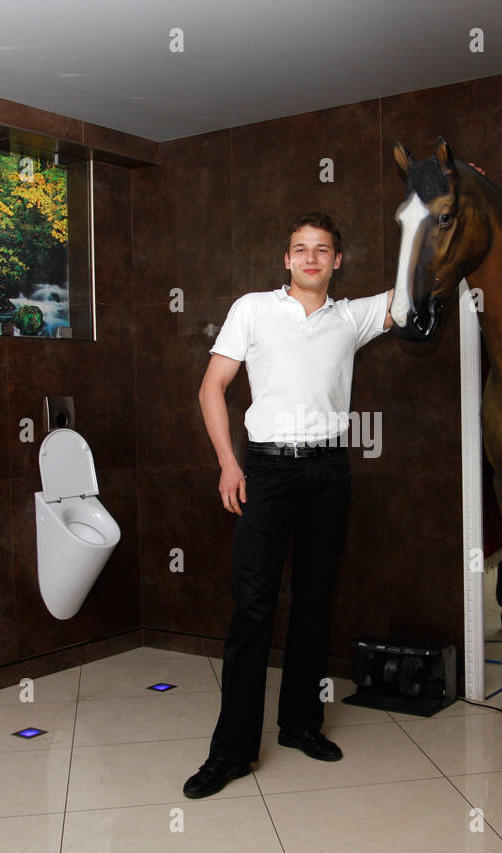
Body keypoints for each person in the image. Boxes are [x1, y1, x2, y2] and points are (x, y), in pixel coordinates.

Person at [184, 212, 394, 799]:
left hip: (329, 469)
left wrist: (450, 200)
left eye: (322, 250)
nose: (310, 259)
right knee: (252, 608)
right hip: (267, 470)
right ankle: (231, 752)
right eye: (300, 249)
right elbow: (211, 387)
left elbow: (419, 281)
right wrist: (230, 462)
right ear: (286, 259)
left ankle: (302, 723)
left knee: (314, 601)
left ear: (337, 261)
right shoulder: (252, 309)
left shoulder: (352, 318)